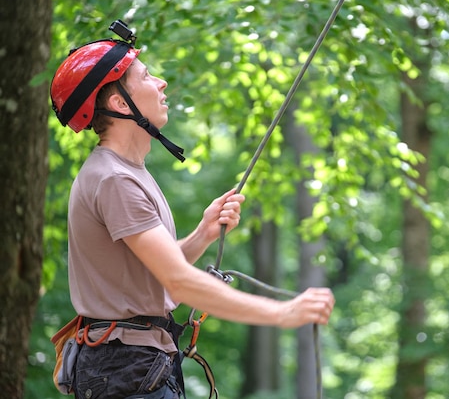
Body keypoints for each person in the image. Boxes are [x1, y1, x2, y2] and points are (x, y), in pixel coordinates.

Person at [50, 20, 335, 399]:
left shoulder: (125, 173)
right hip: (125, 372)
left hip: (134, 368)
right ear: (120, 103)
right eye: (148, 77)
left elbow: (153, 278)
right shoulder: (114, 179)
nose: (162, 83)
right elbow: (179, 282)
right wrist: (282, 314)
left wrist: (203, 234)